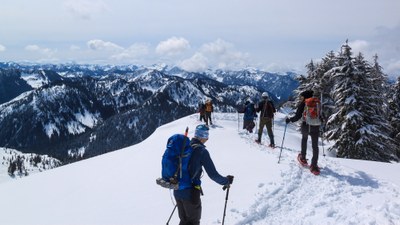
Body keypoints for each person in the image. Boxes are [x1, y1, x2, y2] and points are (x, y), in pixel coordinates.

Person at [174, 124, 234, 225]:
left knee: (184, 221)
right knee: (193, 222)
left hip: (177, 190)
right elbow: (213, 175)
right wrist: (226, 181)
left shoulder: (184, 147)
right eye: (207, 136)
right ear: (203, 137)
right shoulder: (202, 151)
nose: (207, 139)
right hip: (191, 192)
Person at [285, 90, 321, 174]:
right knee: (315, 146)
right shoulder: (317, 102)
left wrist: (290, 120)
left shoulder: (304, 103)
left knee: (304, 139)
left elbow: (297, 116)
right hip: (316, 126)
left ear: (305, 97)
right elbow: (320, 114)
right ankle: (314, 165)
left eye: (302, 97)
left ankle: (303, 157)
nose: (301, 98)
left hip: (306, 125)